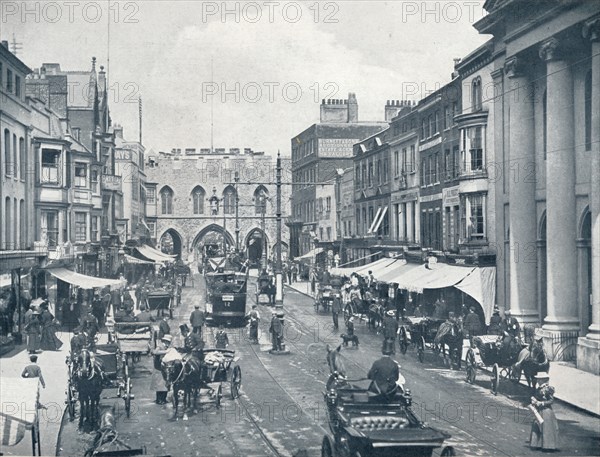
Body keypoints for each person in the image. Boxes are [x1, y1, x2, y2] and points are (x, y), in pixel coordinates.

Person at [529, 373, 559, 451]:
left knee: (546, 427)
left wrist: (542, 403)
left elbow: (551, 400)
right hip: (539, 410)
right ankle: (534, 444)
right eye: (537, 379)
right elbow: (537, 397)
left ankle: (548, 446)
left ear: (544, 380)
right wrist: (534, 400)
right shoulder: (539, 388)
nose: (538, 380)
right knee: (536, 425)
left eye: (539, 379)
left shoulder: (548, 389)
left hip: (546, 411)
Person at [151, 335, 172, 404]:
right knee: (160, 385)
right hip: (159, 368)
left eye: (169, 342)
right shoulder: (160, 346)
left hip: (164, 368)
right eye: (167, 342)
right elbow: (155, 352)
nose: (168, 344)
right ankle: (159, 399)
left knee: (165, 384)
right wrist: (166, 352)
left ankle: (163, 399)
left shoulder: (166, 347)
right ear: (164, 341)